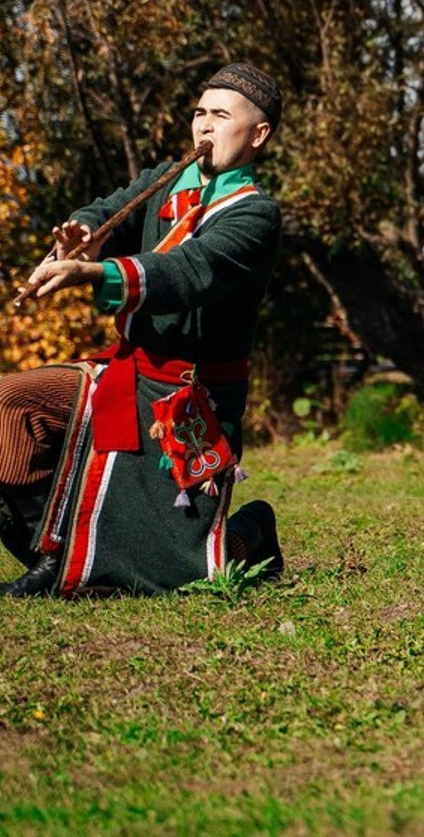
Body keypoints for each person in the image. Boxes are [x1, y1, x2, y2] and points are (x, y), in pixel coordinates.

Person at [0, 63, 285, 597]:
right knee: (8, 407)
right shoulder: (162, 179)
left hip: (190, 400)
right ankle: (53, 554)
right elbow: (105, 212)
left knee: (179, 571)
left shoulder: (256, 215)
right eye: (200, 113)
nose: (204, 126)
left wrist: (92, 272)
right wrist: (82, 235)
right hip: (123, 371)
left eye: (221, 116)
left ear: (257, 134)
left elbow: (188, 272)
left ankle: (251, 533)